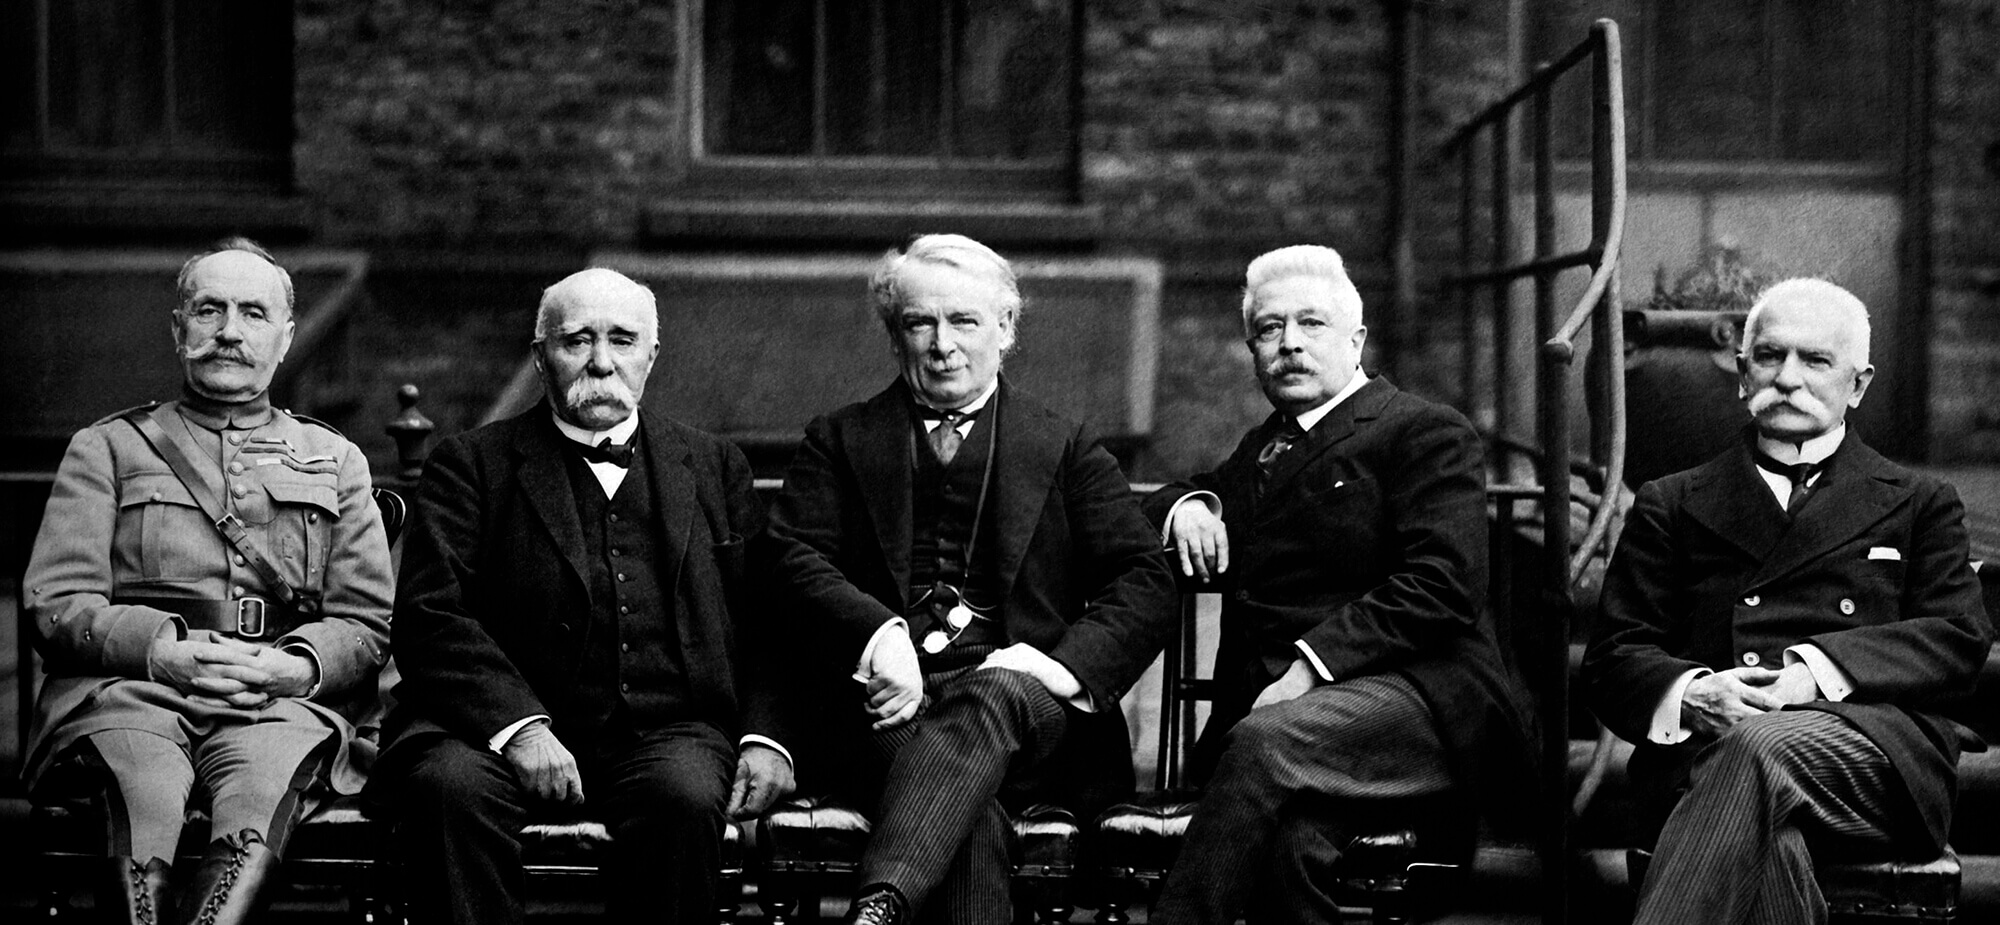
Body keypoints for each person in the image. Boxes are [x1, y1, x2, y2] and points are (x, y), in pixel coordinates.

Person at [760, 233, 1177, 925]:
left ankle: (880, 899)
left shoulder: (1063, 444)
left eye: (965, 322)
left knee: (991, 698)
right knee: (962, 801)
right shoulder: (839, 441)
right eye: (920, 322)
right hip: (889, 707)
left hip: (1031, 714)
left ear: (1006, 329)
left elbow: (1144, 579)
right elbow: (790, 559)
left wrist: (1057, 666)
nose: (941, 344)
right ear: (895, 336)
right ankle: (885, 905)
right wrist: (877, 634)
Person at [372, 268, 795, 925]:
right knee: (446, 789)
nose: (601, 362)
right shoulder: (473, 464)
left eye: (622, 340)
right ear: (541, 358)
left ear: (651, 356)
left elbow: (767, 620)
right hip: (490, 733)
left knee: (683, 798)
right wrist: (519, 726)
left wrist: (768, 736)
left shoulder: (713, 465)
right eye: (577, 341)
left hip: (666, 728)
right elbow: (431, 614)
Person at [1140, 244, 1532, 925]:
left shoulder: (1423, 431)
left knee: (1263, 741)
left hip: (1419, 700)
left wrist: (1307, 668)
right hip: (1310, 733)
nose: (1289, 343)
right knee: (1292, 844)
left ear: (1356, 340)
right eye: (1268, 329)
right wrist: (1187, 506)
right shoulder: (1267, 446)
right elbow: (1175, 493)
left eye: (1311, 324)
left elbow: (1443, 583)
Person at [1584, 278, 1991, 924]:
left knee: (1755, 748)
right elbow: (1611, 660)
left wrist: (1810, 675)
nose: (1788, 377)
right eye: (1770, 357)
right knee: (1768, 832)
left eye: (1816, 360)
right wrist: (1693, 692)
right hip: (1706, 757)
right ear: (1743, 376)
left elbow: (1958, 638)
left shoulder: (1918, 501)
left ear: (1858, 384)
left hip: (1873, 757)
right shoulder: (1673, 502)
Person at [22, 238, 395, 925]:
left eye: (253, 314)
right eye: (209, 310)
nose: (229, 331)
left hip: (274, 700)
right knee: (148, 788)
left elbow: (367, 621)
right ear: (178, 327)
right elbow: (57, 601)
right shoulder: (106, 447)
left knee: (257, 794)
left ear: (285, 339)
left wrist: (291, 666)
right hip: (132, 690)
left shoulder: (334, 458)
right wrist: (160, 651)